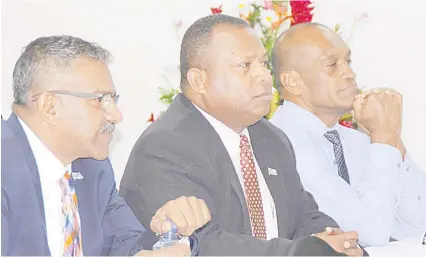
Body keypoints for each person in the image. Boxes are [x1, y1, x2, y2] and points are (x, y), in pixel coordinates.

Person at [119, 14, 363, 256]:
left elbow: (302, 216)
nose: (264, 77)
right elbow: (199, 245)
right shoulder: (165, 146)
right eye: (245, 65)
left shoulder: (270, 138)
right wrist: (299, 252)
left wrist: (338, 243)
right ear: (199, 80)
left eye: (264, 64)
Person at [1, 35, 211, 256]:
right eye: (100, 100)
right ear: (50, 106)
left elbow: (125, 246)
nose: (116, 116)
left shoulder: (92, 168)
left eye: (113, 100)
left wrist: (170, 234)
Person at [269, 23, 426, 247]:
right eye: (332, 65)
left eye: (347, 62)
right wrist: (383, 138)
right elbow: (365, 234)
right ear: (293, 81)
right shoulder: (281, 142)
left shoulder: (357, 140)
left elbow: (424, 226)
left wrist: (391, 139)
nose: (350, 74)